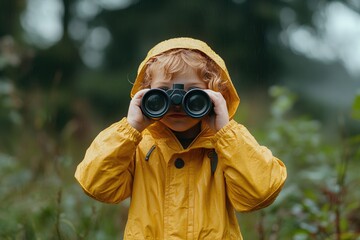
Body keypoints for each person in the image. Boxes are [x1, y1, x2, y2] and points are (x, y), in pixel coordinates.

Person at [75, 37, 287, 239]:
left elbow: (259, 193)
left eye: (192, 94)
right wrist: (130, 128)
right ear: (146, 94)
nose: (177, 104)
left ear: (214, 94)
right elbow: (96, 185)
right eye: (163, 93)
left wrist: (226, 132)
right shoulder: (137, 146)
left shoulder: (226, 146)